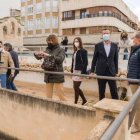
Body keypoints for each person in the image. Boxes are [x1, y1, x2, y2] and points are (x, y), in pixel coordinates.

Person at [34, 34, 67, 101]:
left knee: (61, 94)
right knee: (48, 96)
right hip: (48, 74)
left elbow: (60, 59)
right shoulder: (47, 49)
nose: (48, 43)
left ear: (54, 41)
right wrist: (37, 54)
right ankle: (49, 108)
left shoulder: (61, 50)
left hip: (57, 74)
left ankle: (68, 109)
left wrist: (49, 56)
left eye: (50, 41)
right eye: (47, 42)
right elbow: (39, 57)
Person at [91, 29, 119, 100]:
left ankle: (116, 107)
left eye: (107, 33)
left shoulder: (114, 45)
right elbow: (94, 59)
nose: (105, 35)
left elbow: (116, 59)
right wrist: (92, 71)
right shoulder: (98, 45)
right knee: (101, 91)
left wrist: (116, 71)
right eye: (104, 33)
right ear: (102, 35)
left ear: (110, 35)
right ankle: (101, 106)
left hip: (111, 71)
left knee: (114, 91)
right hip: (100, 71)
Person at [127, 32, 140, 134]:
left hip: (137, 82)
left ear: (138, 39)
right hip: (133, 81)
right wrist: (129, 78)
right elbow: (131, 66)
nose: (132, 40)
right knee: (136, 104)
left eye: (134, 38)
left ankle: (137, 126)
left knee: (137, 105)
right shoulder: (135, 50)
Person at [71, 37, 88, 105]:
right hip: (75, 71)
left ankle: (75, 103)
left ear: (80, 42)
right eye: (75, 41)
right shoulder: (75, 51)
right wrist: (72, 69)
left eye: (77, 41)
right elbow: (73, 62)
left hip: (80, 71)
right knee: (75, 87)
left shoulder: (83, 51)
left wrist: (82, 73)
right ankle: (84, 100)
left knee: (76, 87)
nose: (76, 43)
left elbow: (85, 62)